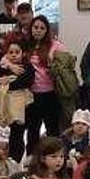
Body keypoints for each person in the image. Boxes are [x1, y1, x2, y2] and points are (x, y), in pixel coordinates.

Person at [23, 16, 66, 154]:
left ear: (47, 30)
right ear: (31, 28)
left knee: (52, 130)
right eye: (35, 27)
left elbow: (66, 64)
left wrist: (53, 66)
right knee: (32, 130)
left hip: (50, 94)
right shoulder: (25, 45)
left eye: (42, 28)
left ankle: (55, 158)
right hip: (31, 94)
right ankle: (31, 161)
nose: (38, 31)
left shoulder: (56, 45)